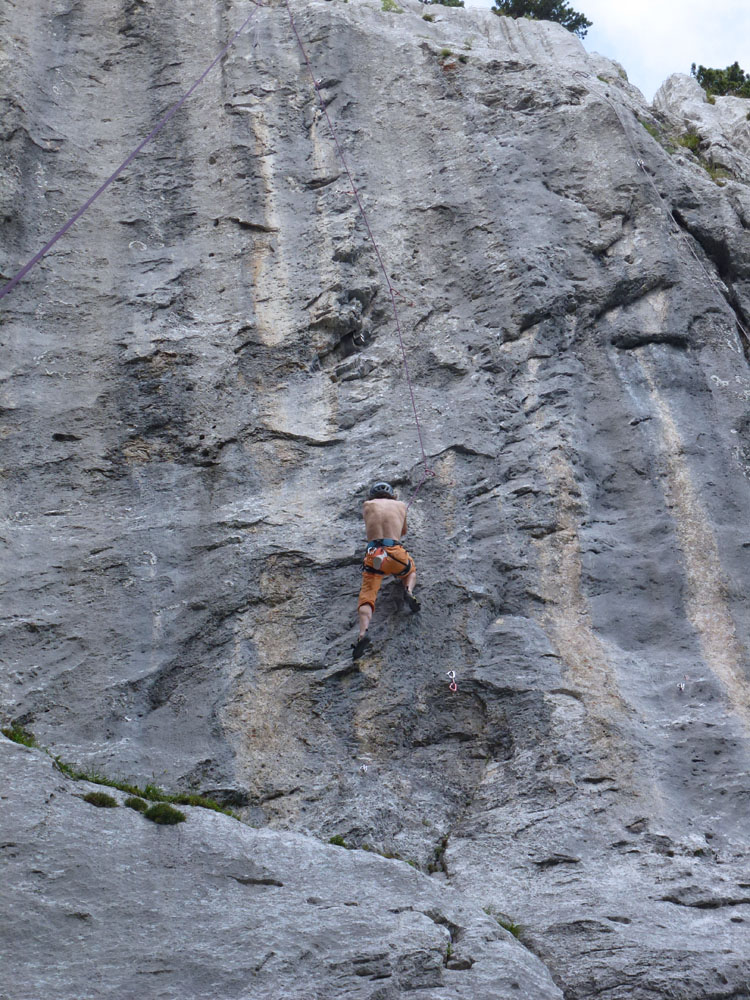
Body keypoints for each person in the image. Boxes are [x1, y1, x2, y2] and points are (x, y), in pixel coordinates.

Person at [352, 481, 419, 660]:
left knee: (368, 594)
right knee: (410, 570)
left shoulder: (367, 505)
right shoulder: (401, 505)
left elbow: (370, 526)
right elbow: (403, 532)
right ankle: (408, 590)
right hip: (395, 552)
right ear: (392, 494)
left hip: (375, 554)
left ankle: (362, 633)